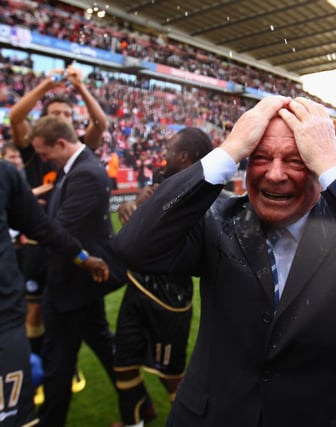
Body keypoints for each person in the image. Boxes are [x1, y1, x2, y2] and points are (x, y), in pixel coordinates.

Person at [114, 96, 336, 426]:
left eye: (296, 161)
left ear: (318, 164)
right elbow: (134, 247)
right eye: (261, 157)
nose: (275, 174)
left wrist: (332, 166)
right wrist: (229, 149)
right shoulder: (217, 219)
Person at [8, 64, 108, 396]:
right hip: (41, 243)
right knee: (36, 310)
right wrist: (46, 85)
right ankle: (43, 366)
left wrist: (80, 88)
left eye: (68, 112)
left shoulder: (76, 155)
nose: (64, 116)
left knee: (72, 314)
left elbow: (100, 123)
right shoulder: (36, 149)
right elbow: (16, 117)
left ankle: (61, 366)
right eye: (57, 112)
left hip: (65, 241)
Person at [28, 115, 126, 427]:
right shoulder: (73, 169)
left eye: (44, 153)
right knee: (105, 347)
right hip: (80, 284)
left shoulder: (85, 173)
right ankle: (139, 404)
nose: (43, 160)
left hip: (72, 285)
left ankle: (50, 422)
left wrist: (29, 218)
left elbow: (59, 231)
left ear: (60, 143)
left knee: (58, 362)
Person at [112, 127, 213, 427]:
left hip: (169, 300)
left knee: (172, 377)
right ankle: (133, 422)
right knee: (124, 366)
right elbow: (141, 217)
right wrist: (133, 206)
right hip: (136, 286)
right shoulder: (160, 180)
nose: (163, 155)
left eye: (169, 151)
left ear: (182, 157)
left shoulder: (204, 191)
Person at [0, 158, 109, 427]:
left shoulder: (5, 175)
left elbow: (42, 227)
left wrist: (83, 257)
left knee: (14, 418)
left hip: (5, 318)